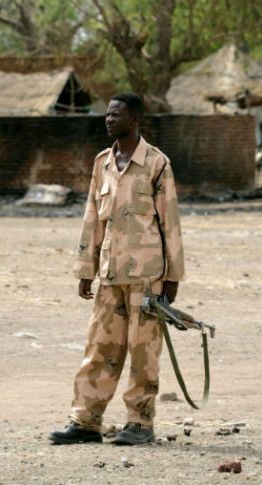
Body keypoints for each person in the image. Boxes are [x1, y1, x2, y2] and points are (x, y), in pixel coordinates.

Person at [48, 92, 185, 446]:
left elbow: (170, 222)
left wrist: (172, 278)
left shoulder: (157, 164)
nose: (108, 119)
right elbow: (92, 217)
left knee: (143, 353)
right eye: (107, 114)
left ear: (134, 118)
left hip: (146, 279)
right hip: (109, 274)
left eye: (115, 114)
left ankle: (140, 423)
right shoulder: (102, 163)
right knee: (99, 348)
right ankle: (85, 422)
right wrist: (85, 267)